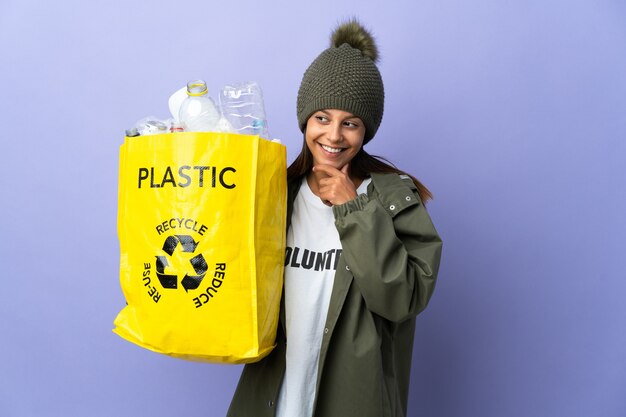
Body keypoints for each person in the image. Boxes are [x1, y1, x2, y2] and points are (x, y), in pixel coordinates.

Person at [228, 19, 442, 417]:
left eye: (351, 123)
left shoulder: (395, 199)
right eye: (322, 118)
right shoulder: (277, 194)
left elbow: (402, 299)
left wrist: (353, 209)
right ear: (305, 121)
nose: (334, 135)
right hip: (272, 400)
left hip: (354, 401)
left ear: (366, 131)